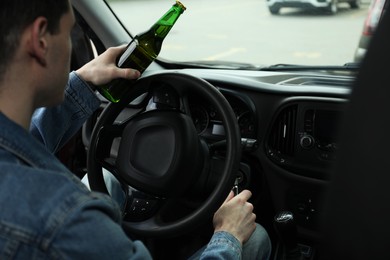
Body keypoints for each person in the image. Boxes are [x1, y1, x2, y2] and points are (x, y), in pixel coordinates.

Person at [0, 0, 271, 259]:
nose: (72, 49)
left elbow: (24, 142)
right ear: (40, 41)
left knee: (106, 179)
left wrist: (82, 82)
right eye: (69, 34)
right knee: (255, 237)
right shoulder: (68, 221)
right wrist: (227, 235)